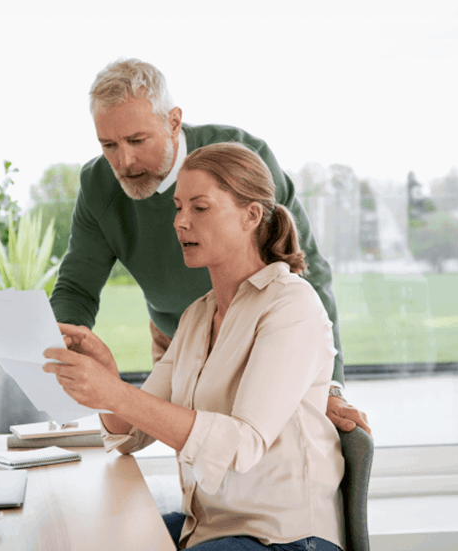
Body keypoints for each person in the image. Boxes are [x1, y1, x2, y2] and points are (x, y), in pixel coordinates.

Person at [44, 142, 345, 550]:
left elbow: (242, 445)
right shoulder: (198, 317)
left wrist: (117, 393)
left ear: (251, 216)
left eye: (199, 208)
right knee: (90, 538)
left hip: (284, 539)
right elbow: (129, 434)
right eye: (178, 207)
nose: (181, 222)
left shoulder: (291, 305)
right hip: (207, 527)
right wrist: (109, 381)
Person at [49, 58, 369, 436]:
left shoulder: (243, 157)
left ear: (173, 122)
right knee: (192, 457)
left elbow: (308, 268)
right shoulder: (99, 185)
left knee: (251, 448)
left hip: (260, 329)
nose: (124, 160)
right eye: (108, 145)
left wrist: (329, 386)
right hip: (178, 334)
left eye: (137, 140)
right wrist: (59, 347)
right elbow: (77, 287)